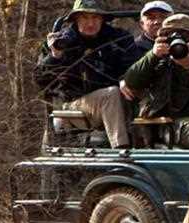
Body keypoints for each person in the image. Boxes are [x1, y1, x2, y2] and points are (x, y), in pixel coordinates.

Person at [35, 0, 138, 148]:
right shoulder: (60, 41)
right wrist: (55, 56)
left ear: (102, 19)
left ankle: (150, 145)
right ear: (75, 19)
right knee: (111, 94)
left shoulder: (119, 39)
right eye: (84, 17)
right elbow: (40, 80)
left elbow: (132, 66)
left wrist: (125, 79)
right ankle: (122, 150)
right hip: (72, 105)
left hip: (116, 103)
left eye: (95, 17)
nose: (90, 23)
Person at [122, 14, 189, 149]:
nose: (179, 40)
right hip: (171, 121)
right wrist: (152, 56)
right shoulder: (160, 56)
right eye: (172, 35)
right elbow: (132, 81)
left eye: (185, 35)